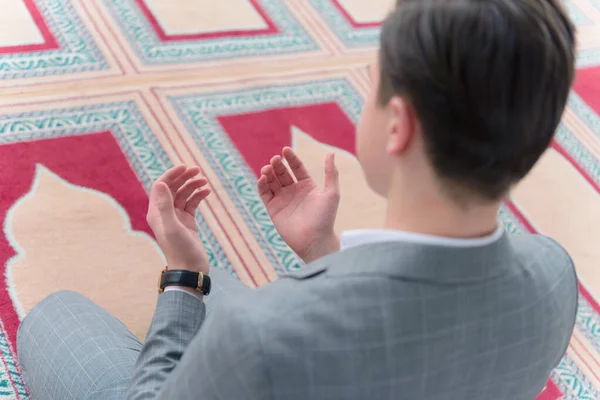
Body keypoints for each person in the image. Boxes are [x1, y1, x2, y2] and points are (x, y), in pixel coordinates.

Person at [17, 0, 578, 399]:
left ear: (397, 127)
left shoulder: (262, 336)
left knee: (55, 318)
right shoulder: (554, 273)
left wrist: (184, 274)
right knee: (228, 295)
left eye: (372, 86)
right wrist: (325, 255)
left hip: (259, 358)